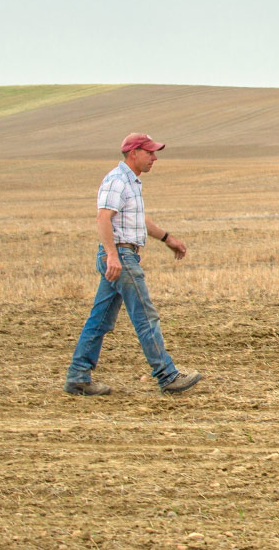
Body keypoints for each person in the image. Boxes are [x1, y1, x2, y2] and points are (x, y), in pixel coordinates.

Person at [64, 133, 201, 396]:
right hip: (121, 258)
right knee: (145, 316)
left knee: (100, 319)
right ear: (133, 153)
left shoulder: (131, 183)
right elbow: (103, 218)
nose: (154, 158)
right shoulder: (117, 181)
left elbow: (139, 220)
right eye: (150, 152)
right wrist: (113, 255)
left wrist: (167, 238)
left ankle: (78, 375)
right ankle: (167, 375)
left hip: (122, 256)